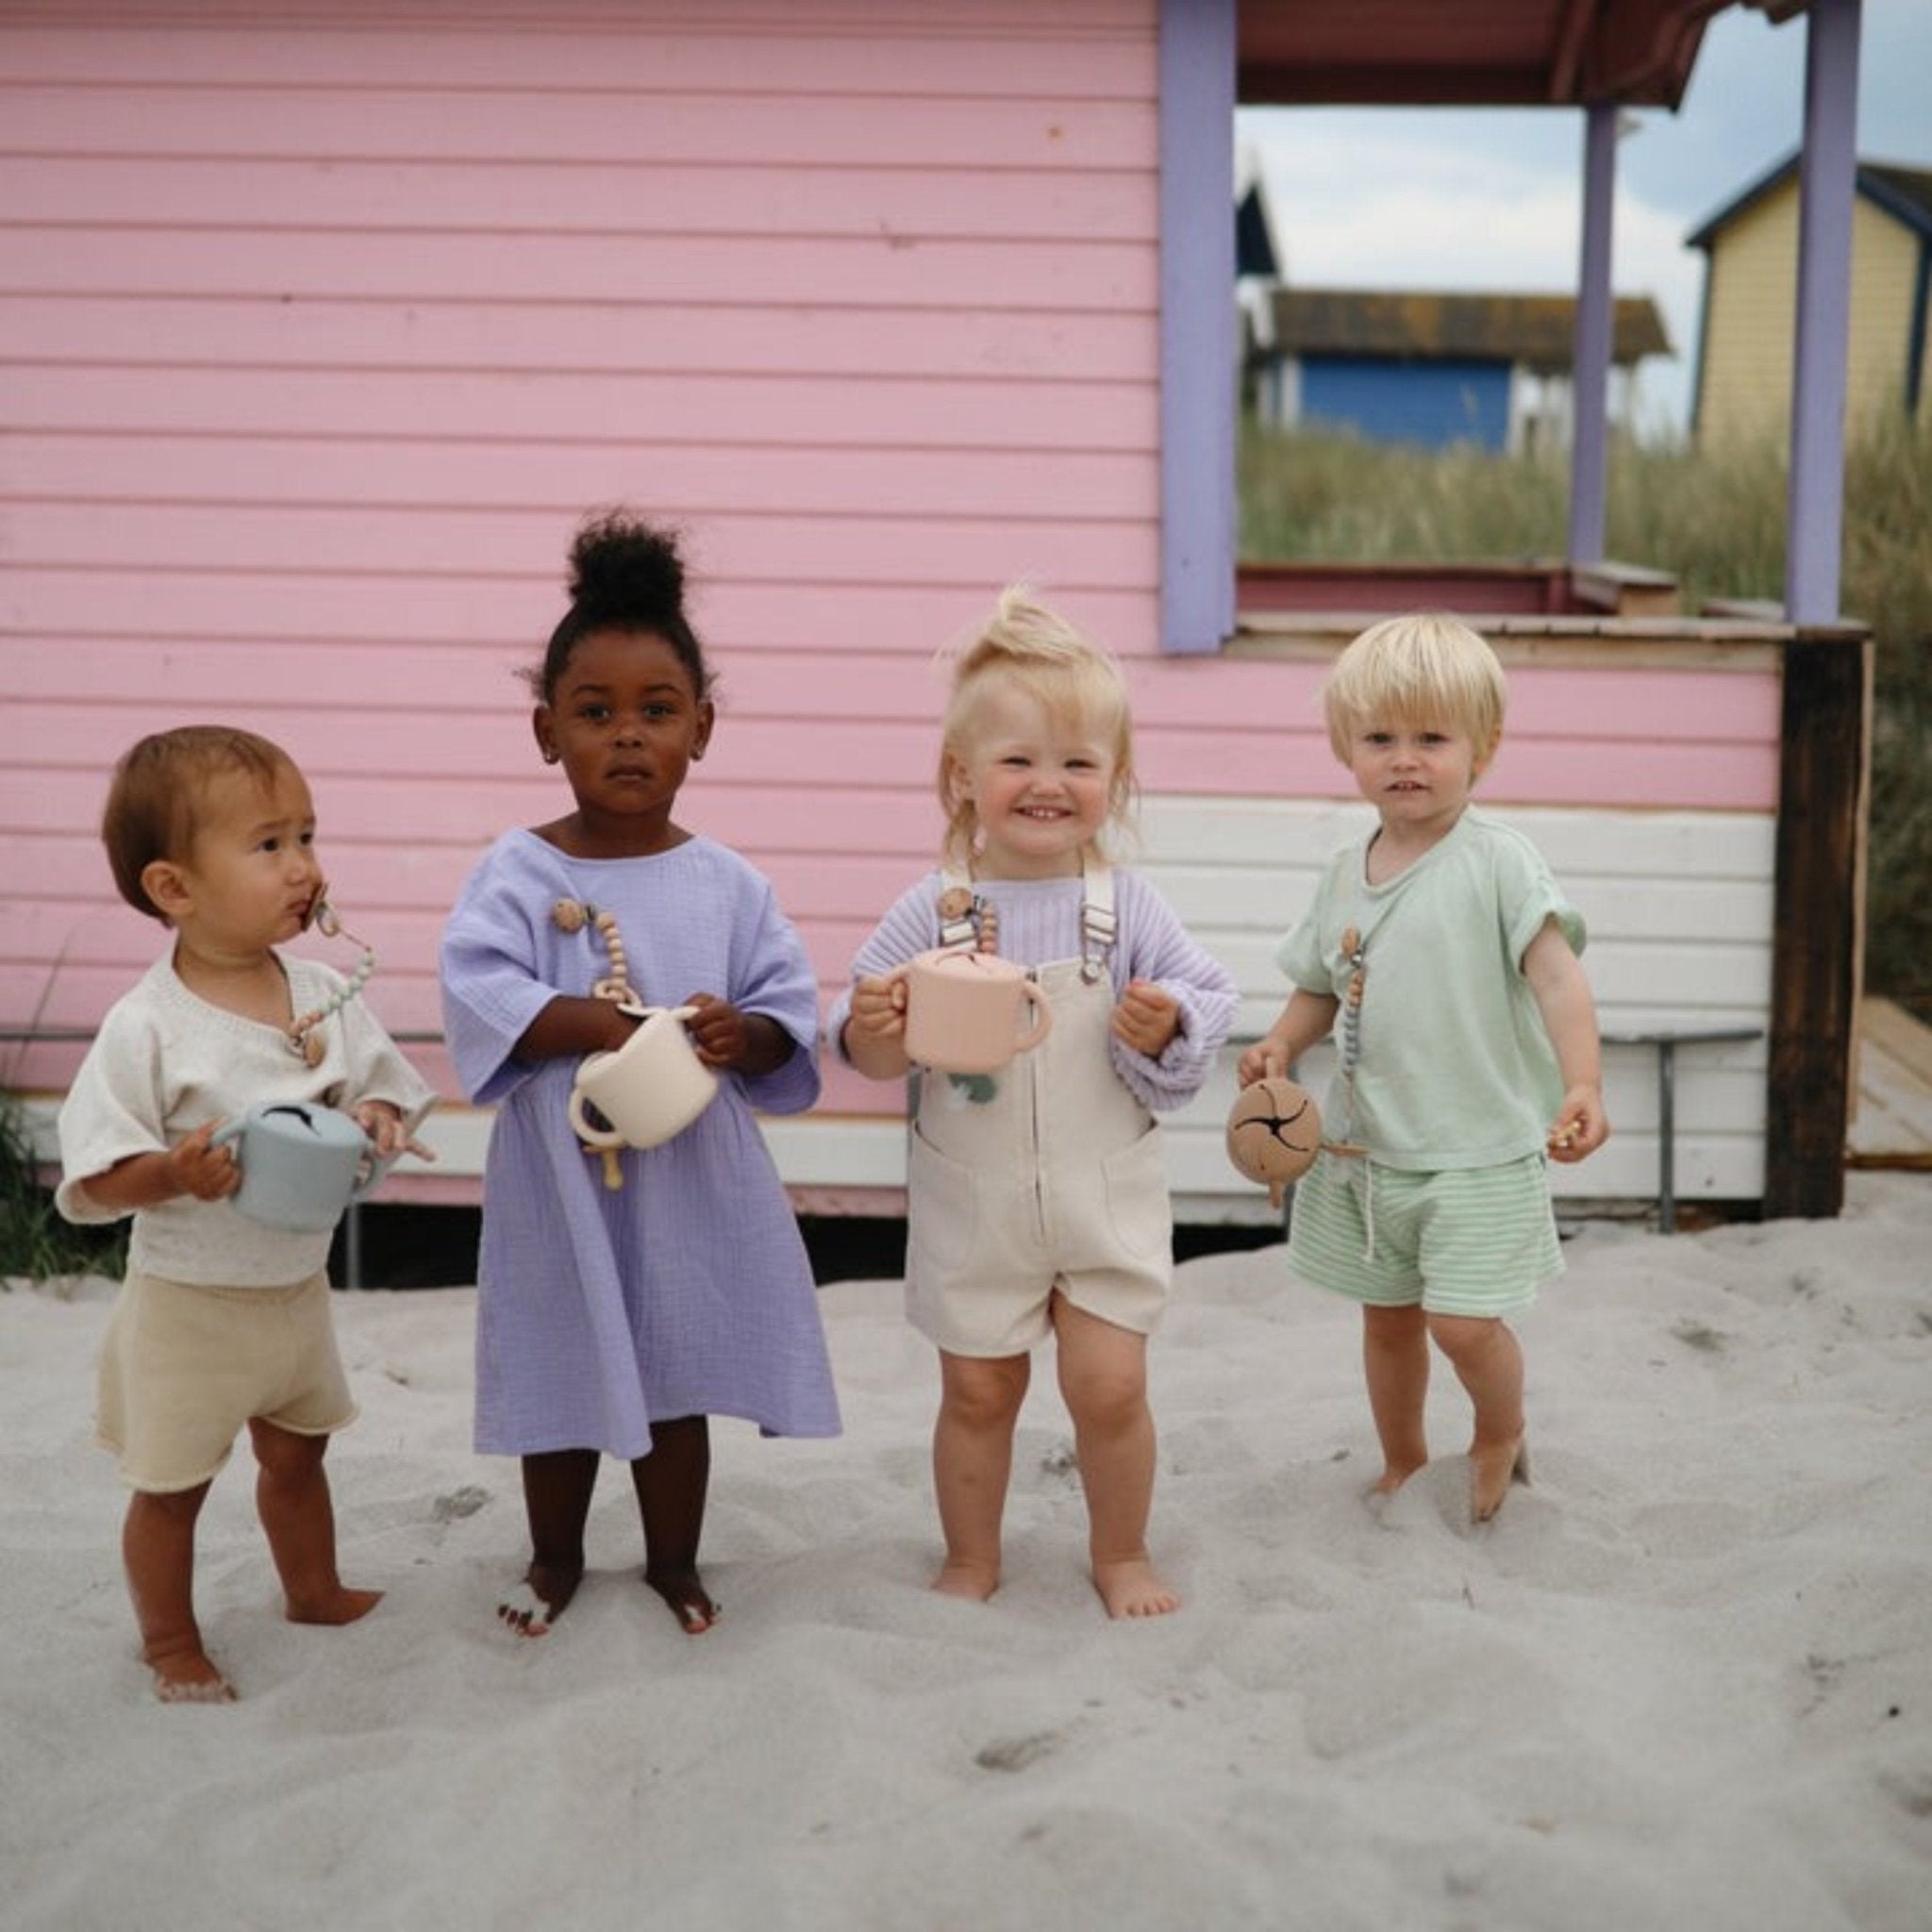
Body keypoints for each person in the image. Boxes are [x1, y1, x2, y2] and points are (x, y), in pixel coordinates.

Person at [440, 511, 839, 1640]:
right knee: (559, 1360)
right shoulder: (518, 868)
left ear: (701, 729)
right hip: (559, 1168)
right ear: (544, 728)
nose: (626, 736)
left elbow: (784, 1010)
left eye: (656, 712)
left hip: (688, 1166)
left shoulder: (727, 882)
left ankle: (673, 1561)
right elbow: (476, 986)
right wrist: (591, 1022)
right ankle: (555, 1557)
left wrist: (737, 1033)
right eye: (595, 711)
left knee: (675, 1364)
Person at [831, 589, 1238, 1618]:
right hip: (976, 1205)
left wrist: (1168, 1019)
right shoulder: (932, 907)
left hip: (1102, 1198)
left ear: (1114, 780)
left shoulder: (1126, 904)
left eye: (1077, 762)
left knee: (1108, 1389)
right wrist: (875, 1019)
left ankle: (1121, 1552)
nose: (1047, 784)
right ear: (960, 778)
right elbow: (863, 1043)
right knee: (977, 1393)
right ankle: (971, 1556)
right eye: (1017, 760)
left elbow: (1210, 997)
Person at [55, 726, 434, 1703]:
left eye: (306, 835)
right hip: (190, 1302)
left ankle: (311, 1589)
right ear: (174, 887)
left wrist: (381, 1115)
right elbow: (97, 1169)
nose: (304, 865)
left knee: (299, 1450)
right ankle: (172, 1638)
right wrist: (173, 1171)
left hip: (292, 1289)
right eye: (269, 845)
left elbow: (386, 1085)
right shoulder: (148, 1024)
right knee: (173, 1481)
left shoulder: (319, 992)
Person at [1238, 612, 1608, 1523]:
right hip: (1369, 1152)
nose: (1406, 759)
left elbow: (1557, 980)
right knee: (1389, 1318)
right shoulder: (1343, 872)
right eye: (1380, 739)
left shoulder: (1499, 863)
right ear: (1345, 748)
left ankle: (1498, 1425)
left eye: (1432, 738)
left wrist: (1583, 1084)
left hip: (1475, 1147)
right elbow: (1321, 985)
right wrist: (1283, 1043)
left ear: (1482, 748)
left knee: (1463, 1323)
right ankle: (1404, 1457)